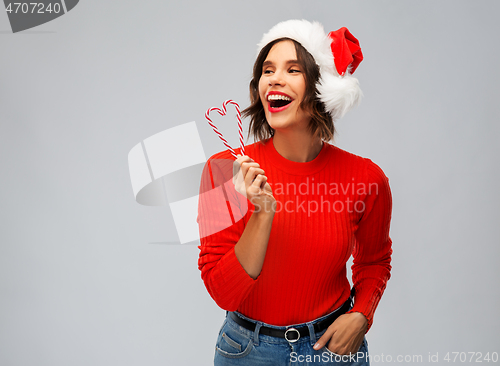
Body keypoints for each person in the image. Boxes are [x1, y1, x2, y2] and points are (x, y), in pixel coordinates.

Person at [197, 19, 393, 365]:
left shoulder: (367, 177)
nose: (274, 78)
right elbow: (222, 292)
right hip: (247, 351)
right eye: (267, 69)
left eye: (293, 69)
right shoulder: (223, 170)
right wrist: (262, 212)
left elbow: (374, 260)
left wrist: (362, 315)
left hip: (332, 349)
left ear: (322, 86)